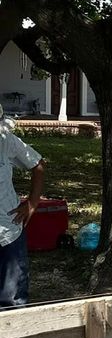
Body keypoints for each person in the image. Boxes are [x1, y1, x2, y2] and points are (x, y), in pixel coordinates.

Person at [0, 109, 45, 307]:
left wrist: (32, 202)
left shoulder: (6, 141)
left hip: (8, 228)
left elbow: (37, 164)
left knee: (11, 300)